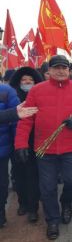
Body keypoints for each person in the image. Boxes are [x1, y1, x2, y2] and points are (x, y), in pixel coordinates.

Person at [14, 55, 72, 240]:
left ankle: (66, 202)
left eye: (64, 68)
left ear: (69, 71)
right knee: (47, 187)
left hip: (71, 147)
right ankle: (52, 220)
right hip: (45, 149)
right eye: (56, 67)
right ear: (49, 71)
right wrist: (20, 144)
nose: (60, 71)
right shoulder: (36, 90)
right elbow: (26, 119)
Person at [9, 67, 43, 223]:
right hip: (15, 142)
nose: (27, 82)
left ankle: (33, 207)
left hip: (35, 142)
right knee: (18, 175)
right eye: (24, 80)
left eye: (30, 80)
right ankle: (22, 203)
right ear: (18, 82)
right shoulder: (12, 96)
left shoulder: (40, 95)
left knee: (33, 176)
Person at [0, 82, 21, 228]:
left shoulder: (6, 92)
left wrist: (18, 145)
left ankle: (1, 212)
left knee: (1, 184)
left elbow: (16, 122)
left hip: (2, 149)